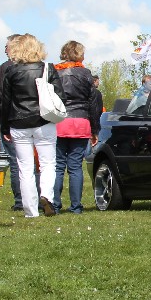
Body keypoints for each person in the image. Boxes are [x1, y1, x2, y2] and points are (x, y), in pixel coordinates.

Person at [0, 33, 63, 218]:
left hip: (19, 122)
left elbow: (6, 102)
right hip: (44, 121)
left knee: (25, 168)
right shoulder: (48, 69)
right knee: (48, 163)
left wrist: (4, 127)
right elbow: (60, 96)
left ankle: (30, 211)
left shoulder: (11, 71)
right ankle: (47, 195)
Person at [52, 41, 99, 214]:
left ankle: (55, 205)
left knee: (58, 166)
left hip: (59, 121)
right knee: (75, 167)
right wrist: (95, 129)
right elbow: (93, 103)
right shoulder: (85, 73)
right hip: (80, 121)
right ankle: (76, 206)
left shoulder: (54, 72)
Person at [0, 34, 24, 211]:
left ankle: (20, 200)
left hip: (11, 121)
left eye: (7, 46)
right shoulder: (36, 67)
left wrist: (3, 120)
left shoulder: (6, 68)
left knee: (16, 162)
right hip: (32, 121)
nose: (5, 50)